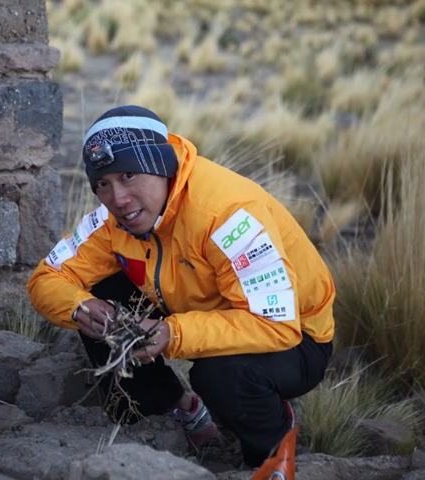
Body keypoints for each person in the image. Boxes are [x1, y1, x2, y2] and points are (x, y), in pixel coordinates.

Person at [26, 105, 335, 469]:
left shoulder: (226, 214)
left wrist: (172, 334)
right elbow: (45, 277)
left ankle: (272, 451)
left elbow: (275, 324)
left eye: (128, 175)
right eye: (102, 184)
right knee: (100, 299)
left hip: (297, 337)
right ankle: (173, 411)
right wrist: (80, 308)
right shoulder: (114, 221)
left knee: (219, 373)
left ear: (163, 166)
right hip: (197, 314)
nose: (118, 199)